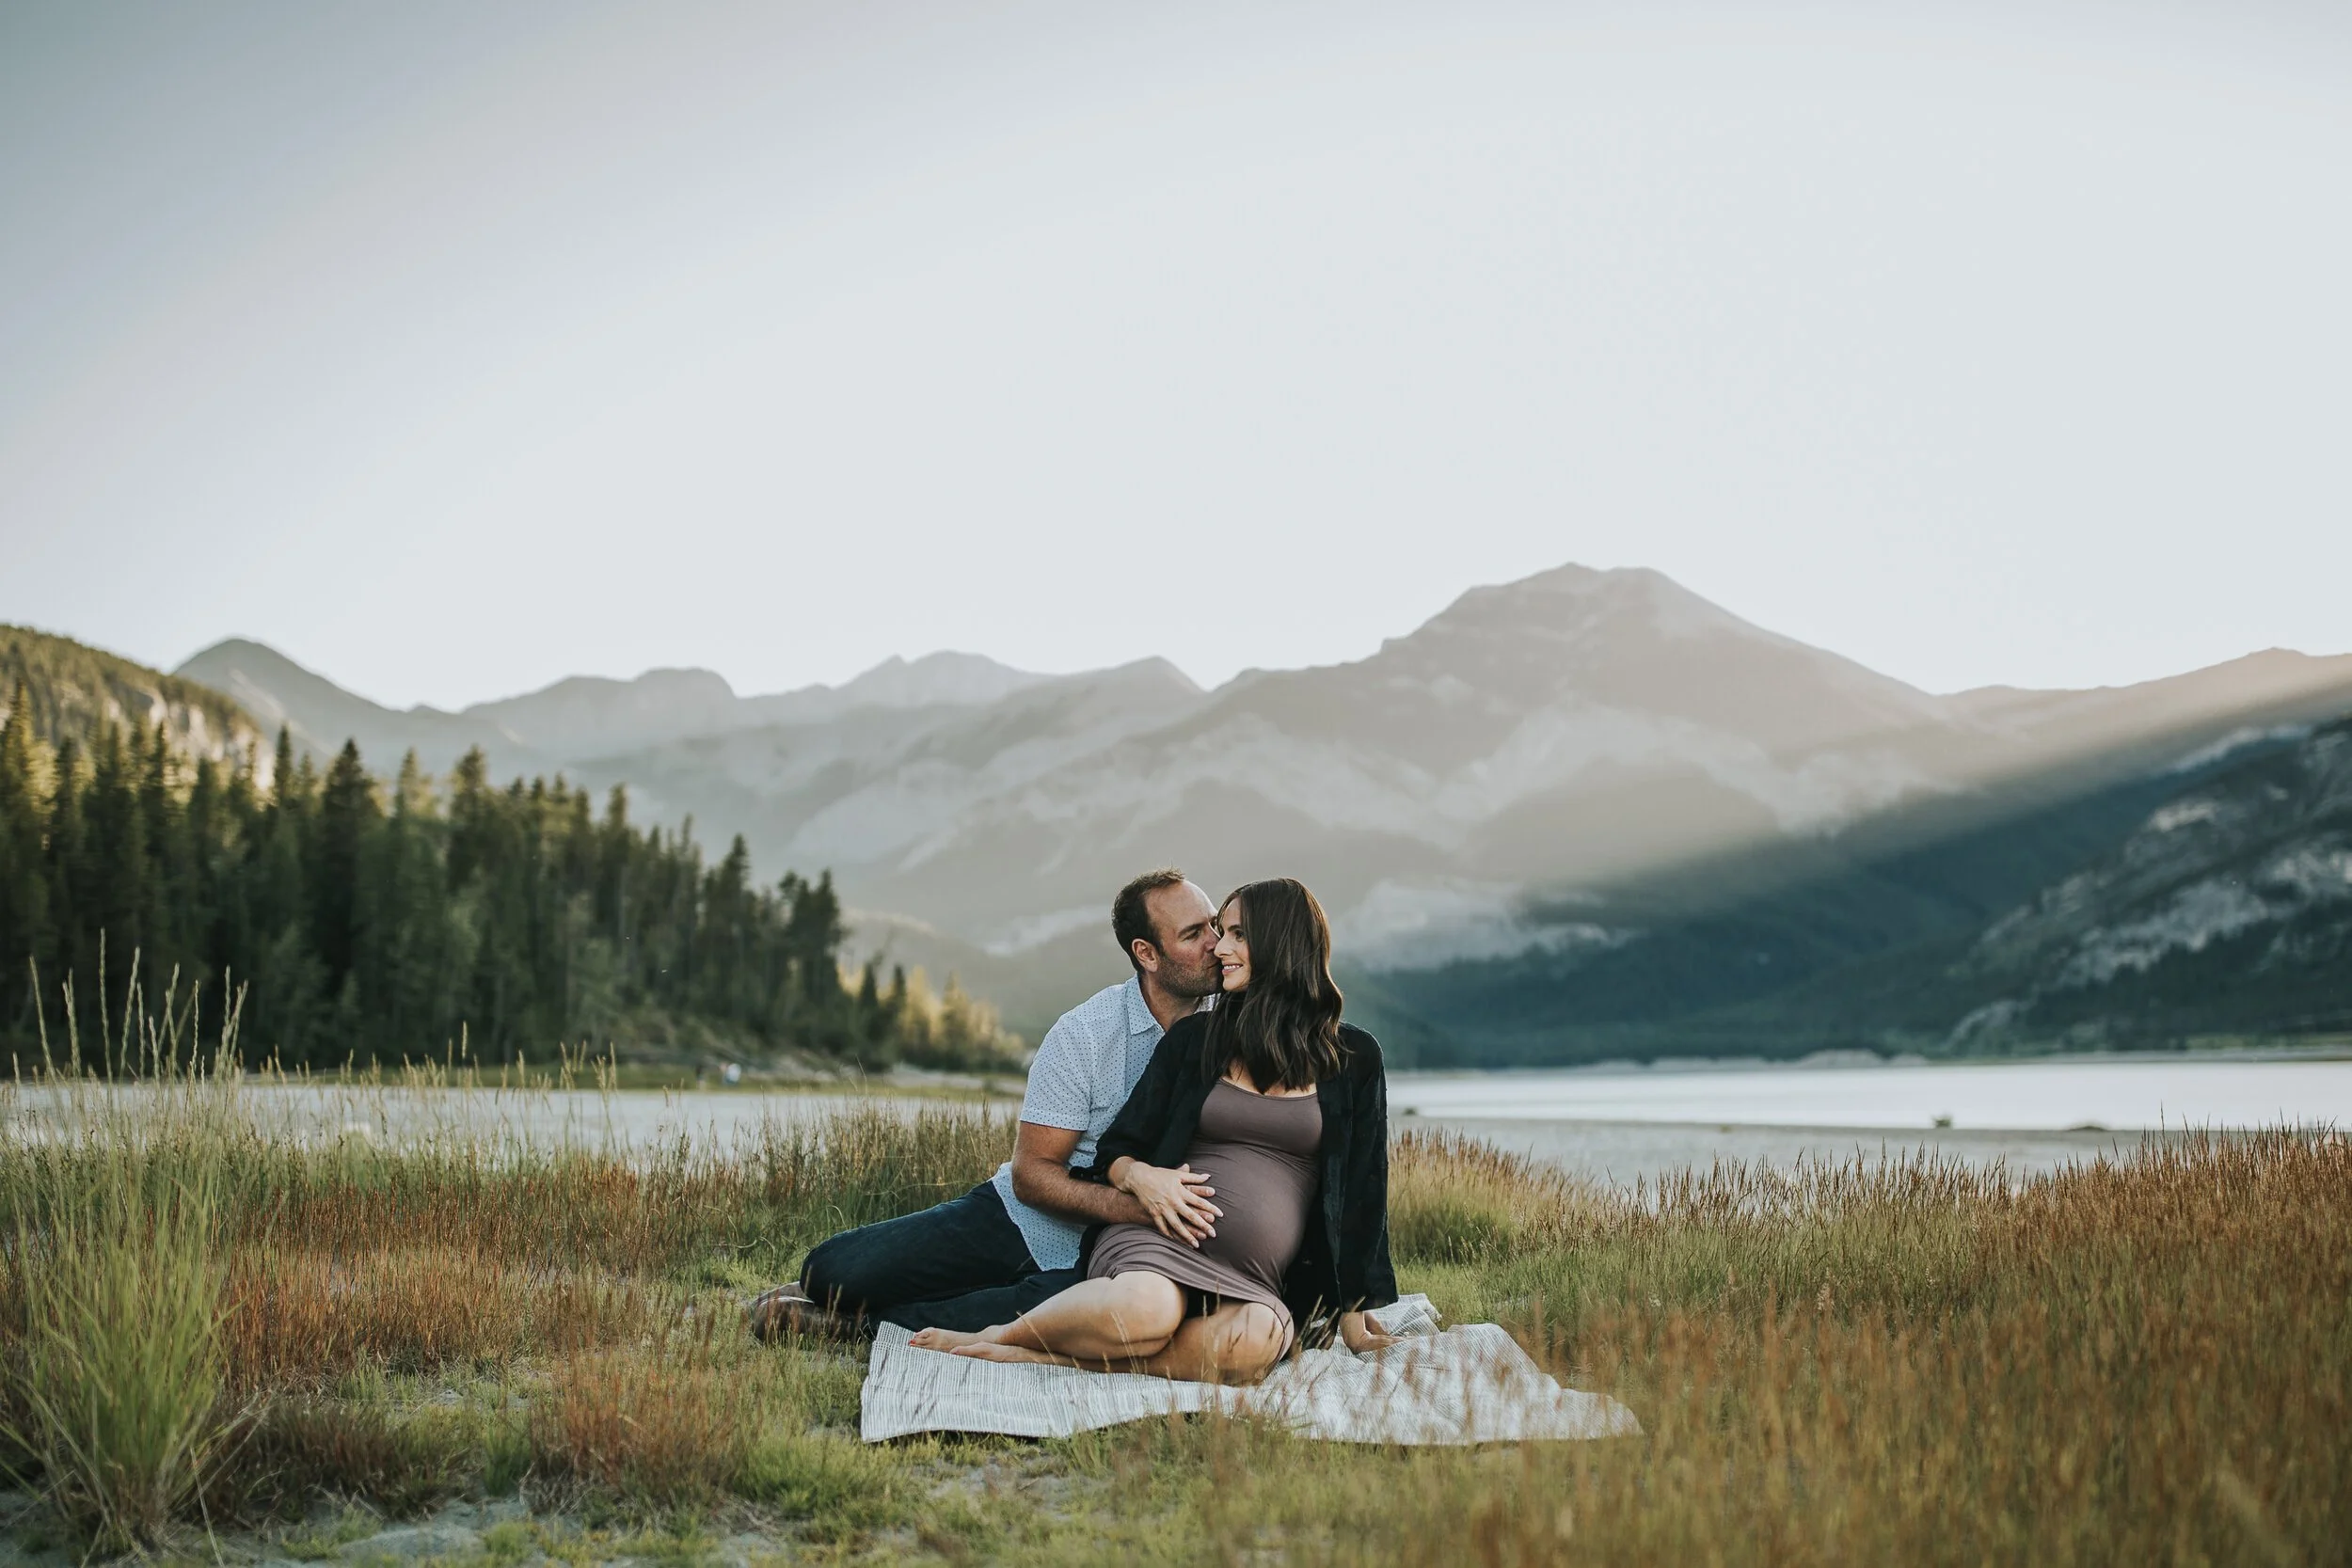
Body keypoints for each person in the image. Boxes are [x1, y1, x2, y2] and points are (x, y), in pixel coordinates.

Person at [910, 878, 1398, 1383]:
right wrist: (1141, 1177)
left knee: (1252, 1347)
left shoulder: (1355, 1059)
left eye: (1235, 934)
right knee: (1149, 1312)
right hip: (1158, 1244)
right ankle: (1002, 1338)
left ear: (1280, 943)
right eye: (1215, 930)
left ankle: (1045, 1356)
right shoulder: (1196, 1039)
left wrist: (1353, 1313)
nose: (1219, 947)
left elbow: (1363, 1190)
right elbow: (1118, 1149)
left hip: (1258, 1277)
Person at [747, 868, 1226, 1339]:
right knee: (830, 1269)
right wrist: (1141, 1208)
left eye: (1214, 925)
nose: (1216, 943)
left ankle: (855, 1325)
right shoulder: (1085, 1034)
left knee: (1040, 1314)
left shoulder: (1237, 1028)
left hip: (1117, 1254)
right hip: (1025, 1219)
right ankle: (835, 1296)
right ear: (1147, 954)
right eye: (1193, 934)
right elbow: (1033, 1177)